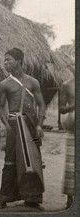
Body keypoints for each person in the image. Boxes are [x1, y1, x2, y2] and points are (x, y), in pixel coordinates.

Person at [0, 48, 46, 211]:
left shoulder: (33, 82)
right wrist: (7, 126)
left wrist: (39, 125)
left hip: (32, 126)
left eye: (8, 59)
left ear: (19, 61)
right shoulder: (4, 84)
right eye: (4, 60)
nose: (5, 63)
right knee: (10, 161)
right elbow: (0, 108)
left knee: (35, 158)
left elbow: (41, 104)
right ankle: (4, 198)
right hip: (14, 125)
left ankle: (33, 199)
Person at [58, 59, 75, 209]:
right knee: (71, 165)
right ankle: (70, 199)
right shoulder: (67, 85)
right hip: (73, 128)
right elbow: (62, 109)